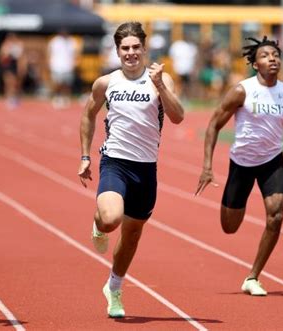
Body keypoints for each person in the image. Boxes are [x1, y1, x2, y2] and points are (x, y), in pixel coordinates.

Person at [195, 36, 283, 296]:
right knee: (229, 227)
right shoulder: (242, 90)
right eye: (265, 56)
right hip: (242, 162)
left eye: (275, 55)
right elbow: (214, 124)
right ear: (255, 64)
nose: (272, 59)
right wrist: (207, 166)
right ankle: (237, 201)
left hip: (272, 161)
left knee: (277, 214)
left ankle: (253, 277)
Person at [78, 22, 184, 318]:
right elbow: (88, 116)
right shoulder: (106, 82)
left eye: (136, 47)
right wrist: (85, 155)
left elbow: (178, 117)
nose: (131, 53)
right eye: (125, 48)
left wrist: (161, 85)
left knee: (133, 233)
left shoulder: (161, 81)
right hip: (115, 162)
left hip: (146, 168)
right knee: (111, 218)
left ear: (144, 49)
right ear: (117, 51)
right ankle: (99, 224)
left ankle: (114, 286)